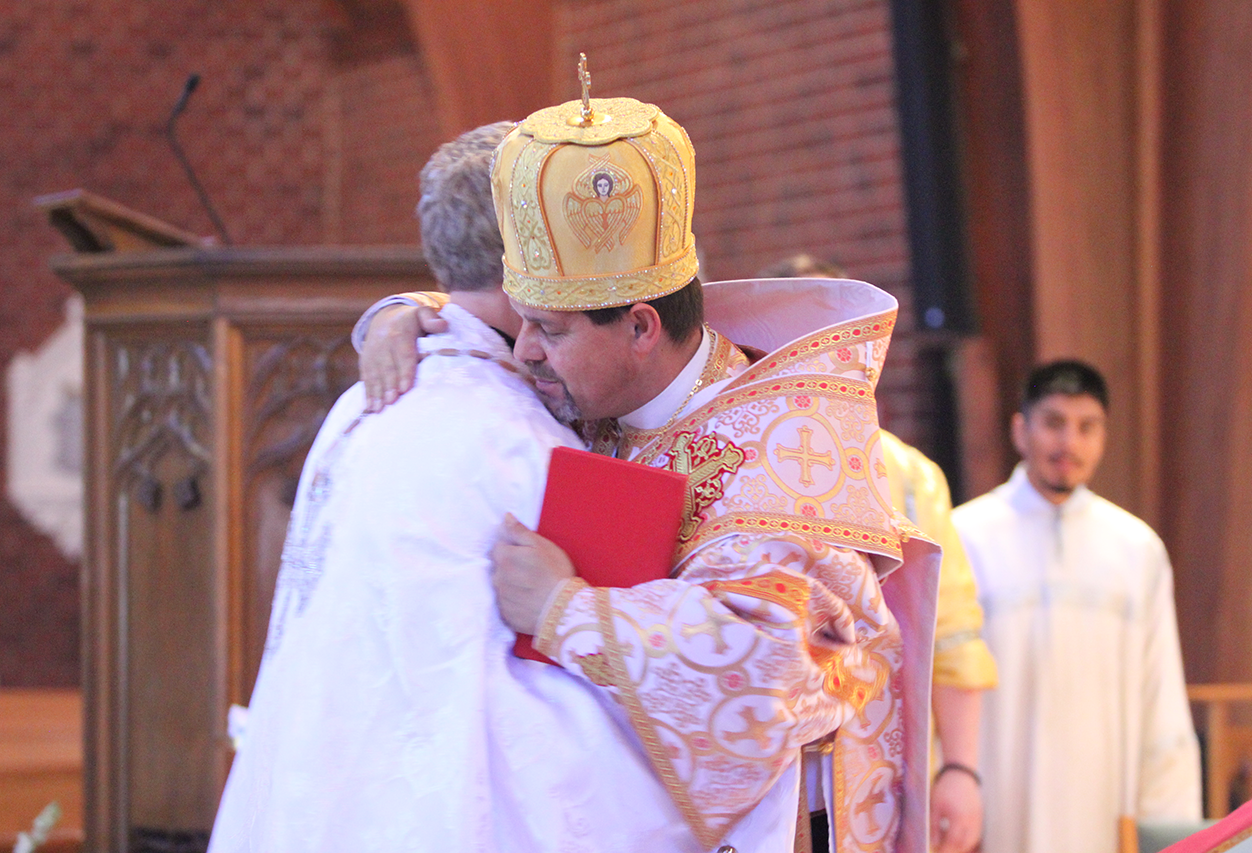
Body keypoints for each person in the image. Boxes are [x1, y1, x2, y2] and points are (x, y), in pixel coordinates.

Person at [359, 89, 940, 853]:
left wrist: (564, 609)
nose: (523, 349)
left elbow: (767, 669)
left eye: (548, 329)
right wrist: (404, 314)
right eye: (520, 320)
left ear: (640, 325)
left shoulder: (789, 438)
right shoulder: (592, 384)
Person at [208, 122, 677, 852]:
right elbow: (603, 681)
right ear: (535, 248)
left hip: (308, 798)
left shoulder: (362, 399)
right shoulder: (526, 440)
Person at [757, 255, 998, 853]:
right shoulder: (733, 459)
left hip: (875, 758)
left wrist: (961, 770)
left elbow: (952, 634)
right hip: (765, 764)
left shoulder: (910, 476)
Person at [951, 359, 1201, 853]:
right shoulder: (965, 538)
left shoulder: (1136, 549)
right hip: (999, 805)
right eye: (1054, 423)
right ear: (1021, 430)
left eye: (1087, 427)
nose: (1069, 444)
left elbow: (1161, 694)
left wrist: (1167, 827)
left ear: (1104, 437)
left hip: (1104, 808)